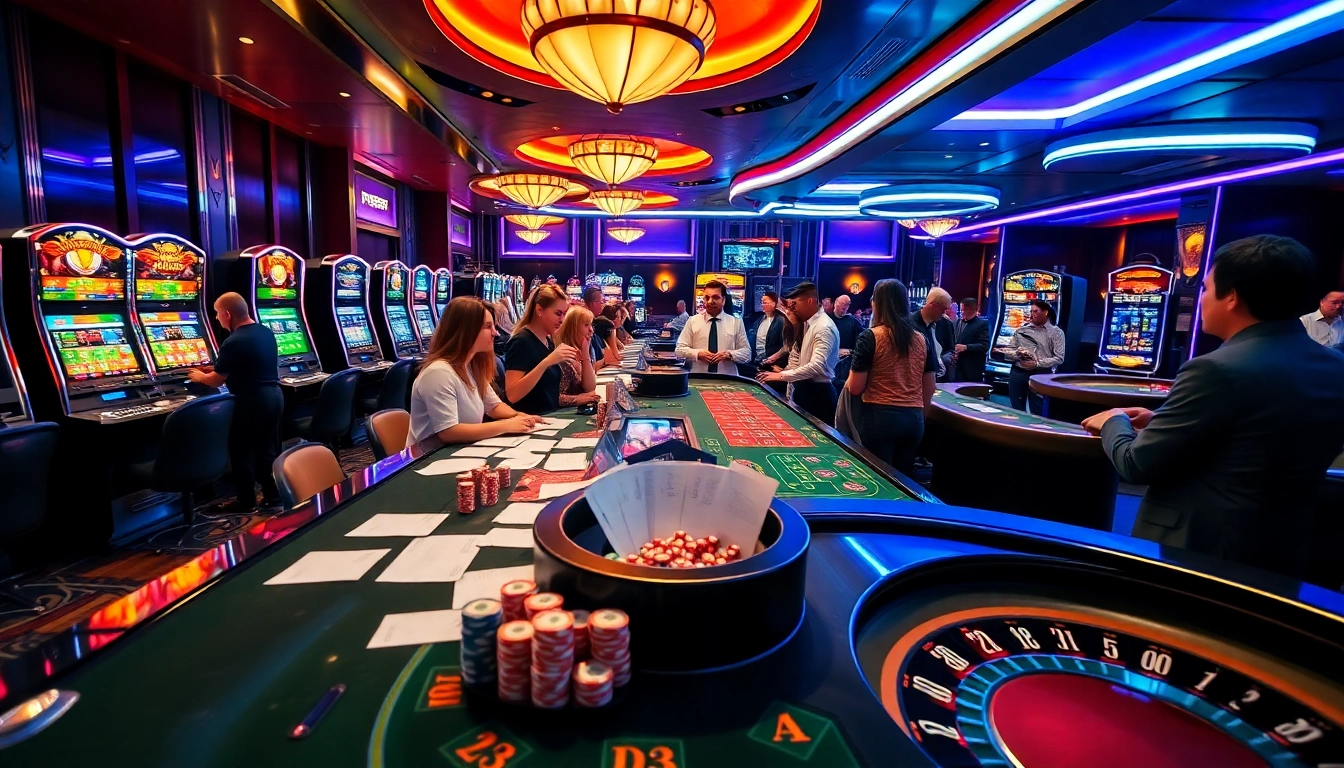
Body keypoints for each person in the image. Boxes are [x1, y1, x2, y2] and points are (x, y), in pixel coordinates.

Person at [1081, 235, 1344, 578]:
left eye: (1205, 288)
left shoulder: (1214, 369)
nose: (1201, 299)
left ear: (1232, 296)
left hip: (1198, 554)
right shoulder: (1334, 366)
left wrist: (1114, 420)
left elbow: (1136, 464)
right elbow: (1257, 436)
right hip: (1285, 547)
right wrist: (1162, 420)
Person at [187, 292, 282, 512]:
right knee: (265, 449)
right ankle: (273, 495)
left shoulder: (234, 341)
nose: (217, 319)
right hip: (274, 396)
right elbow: (246, 364)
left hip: (252, 401)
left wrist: (199, 376)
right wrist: (215, 369)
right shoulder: (264, 331)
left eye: (218, 314)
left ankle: (246, 500)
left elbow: (215, 380)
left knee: (241, 451)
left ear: (227, 314)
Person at [409, 297, 543, 445]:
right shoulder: (438, 373)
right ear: (466, 331)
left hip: (456, 452)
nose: (495, 333)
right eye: (488, 326)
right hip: (428, 460)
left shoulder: (471, 367)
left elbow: (494, 406)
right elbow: (448, 432)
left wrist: (520, 416)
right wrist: (504, 425)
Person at [845, 279, 937, 474]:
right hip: (914, 420)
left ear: (878, 303)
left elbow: (855, 387)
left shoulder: (870, 336)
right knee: (903, 482)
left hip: (880, 418)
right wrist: (921, 416)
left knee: (880, 480)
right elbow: (929, 386)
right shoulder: (921, 338)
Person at [758, 282, 839, 424]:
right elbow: (795, 362)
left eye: (794, 303)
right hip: (803, 391)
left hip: (819, 395)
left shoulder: (823, 327)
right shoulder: (807, 324)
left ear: (810, 301)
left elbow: (817, 366)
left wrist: (780, 375)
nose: (792, 308)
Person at [504, 284, 577, 415]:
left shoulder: (547, 341)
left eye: (564, 314)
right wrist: (547, 362)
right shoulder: (521, 341)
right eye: (558, 314)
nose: (562, 320)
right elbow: (512, 395)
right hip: (530, 424)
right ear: (539, 310)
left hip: (549, 420)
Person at [1003, 299, 1065, 414]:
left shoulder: (1056, 332)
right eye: (1031, 311)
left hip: (1040, 374)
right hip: (1018, 372)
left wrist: (1037, 363)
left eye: (1036, 311)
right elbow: (1008, 351)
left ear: (1045, 312)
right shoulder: (1022, 330)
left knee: (1038, 409)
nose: (1033, 314)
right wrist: (1018, 354)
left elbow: (1059, 357)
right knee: (1016, 409)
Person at [676, 280, 749, 375]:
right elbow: (679, 350)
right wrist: (698, 354)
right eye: (707, 297)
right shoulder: (692, 321)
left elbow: (747, 354)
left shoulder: (736, 323)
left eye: (715, 297)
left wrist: (729, 354)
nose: (710, 301)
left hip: (728, 380)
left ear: (723, 300)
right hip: (698, 378)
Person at [554, 306, 601, 408]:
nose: (591, 330)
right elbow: (552, 398)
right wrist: (577, 398)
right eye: (586, 325)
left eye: (591, 325)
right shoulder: (563, 357)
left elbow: (590, 388)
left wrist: (585, 356)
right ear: (573, 328)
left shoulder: (581, 352)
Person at [918, 288, 956, 382]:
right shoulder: (910, 324)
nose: (944, 313)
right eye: (943, 309)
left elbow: (950, 348)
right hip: (918, 379)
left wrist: (943, 359)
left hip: (940, 379)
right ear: (933, 306)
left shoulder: (946, 323)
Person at [950, 297, 990, 383]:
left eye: (963, 309)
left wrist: (966, 347)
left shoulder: (982, 324)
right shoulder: (956, 322)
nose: (961, 312)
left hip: (972, 368)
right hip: (956, 367)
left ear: (971, 309)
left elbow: (984, 346)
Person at [749, 291, 788, 375]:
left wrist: (775, 360)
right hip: (757, 361)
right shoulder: (759, 320)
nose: (762, 305)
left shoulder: (781, 321)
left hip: (773, 364)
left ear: (774, 304)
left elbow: (785, 345)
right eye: (762, 302)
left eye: (765, 303)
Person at [831, 295, 862, 389]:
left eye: (847, 305)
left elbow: (861, 342)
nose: (845, 307)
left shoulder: (853, 322)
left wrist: (850, 351)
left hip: (846, 363)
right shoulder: (827, 319)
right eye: (843, 304)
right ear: (836, 303)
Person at [592, 303, 624, 369]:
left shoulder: (599, 339)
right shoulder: (596, 338)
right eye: (619, 317)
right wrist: (612, 330)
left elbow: (621, 348)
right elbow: (616, 357)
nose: (621, 320)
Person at [582, 286, 607, 364]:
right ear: (593, 303)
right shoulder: (581, 323)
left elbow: (607, 354)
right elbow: (593, 365)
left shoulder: (594, 322)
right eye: (601, 301)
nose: (603, 305)